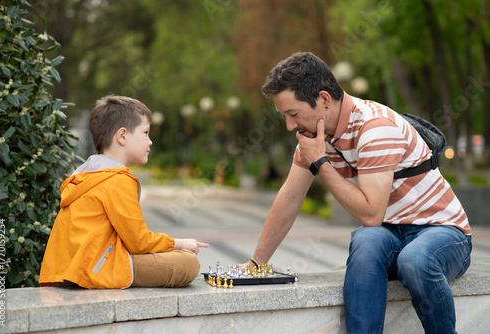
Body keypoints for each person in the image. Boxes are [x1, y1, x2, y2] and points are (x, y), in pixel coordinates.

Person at [247, 52, 472, 333]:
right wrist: (256, 263)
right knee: (366, 243)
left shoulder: (375, 127)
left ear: (324, 100)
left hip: (443, 233)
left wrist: (321, 163)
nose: (290, 126)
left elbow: (371, 214)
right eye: (284, 116)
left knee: (414, 260)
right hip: (392, 235)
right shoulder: (316, 137)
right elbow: (291, 196)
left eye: (293, 114)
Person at [39, 95, 208, 289]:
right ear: (122, 136)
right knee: (187, 264)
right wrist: (179, 243)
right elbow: (138, 242)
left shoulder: (87, 175)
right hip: (97, 270)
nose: (150, 141)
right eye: (145, 133)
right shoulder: (116, 180)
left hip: (70, 270)